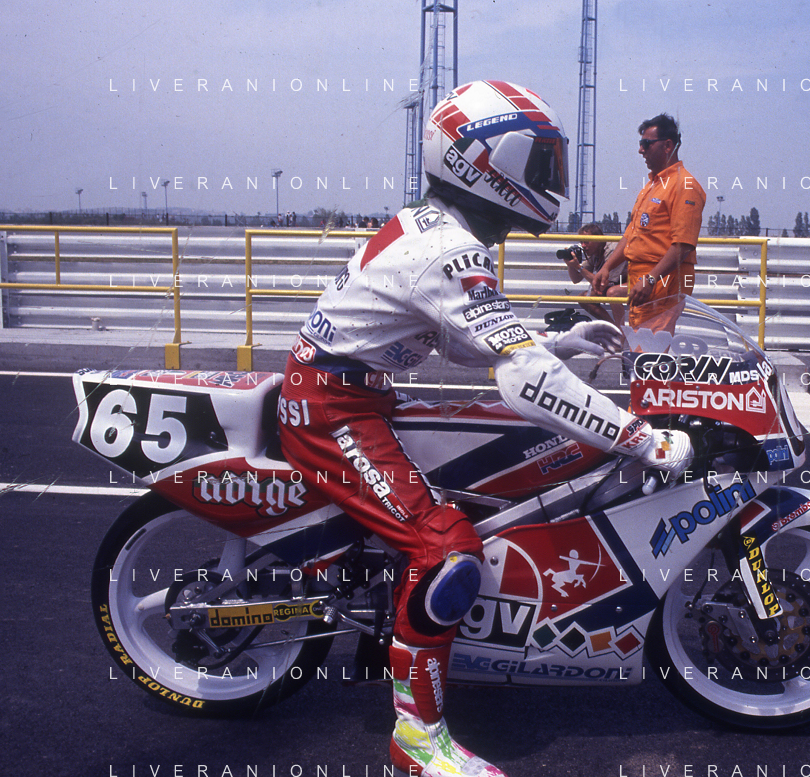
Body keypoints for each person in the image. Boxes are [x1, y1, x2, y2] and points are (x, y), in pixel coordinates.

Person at [276, 80, 693, 776]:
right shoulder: (449, 250)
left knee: (497, 475)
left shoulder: (432, 227)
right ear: (484, 162)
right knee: (446, 549)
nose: (549, 178)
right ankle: (417, 737)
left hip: (353, 394)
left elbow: (468, 341)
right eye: (539, 162)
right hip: (332, 408)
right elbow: (522, 380)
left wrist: (555, 342)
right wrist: (640, 438)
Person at [591, 114, 706, 331]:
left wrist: (651, 279)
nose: (641, 150)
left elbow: (683, 244)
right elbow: (632, 235)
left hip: (663, 280)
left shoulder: (684, 186)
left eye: (646, 144)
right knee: (641, 340)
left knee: (651, 344)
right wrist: (607, 267)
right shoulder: (653, 185)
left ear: (668, 145)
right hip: (643, 278)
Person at [558, 222, 626, 325]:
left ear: (598, 240)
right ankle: (611, 326)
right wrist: (571, 264)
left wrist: (578, 267)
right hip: (617, 283)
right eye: (581, 242)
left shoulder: (612, 250)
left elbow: (603, 284)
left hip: (637, 282)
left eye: (586, 242)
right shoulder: (594, 252)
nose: (583, 246)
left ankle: (621, 329)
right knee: (584, 299)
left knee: (612, 293)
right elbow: (576, 279)